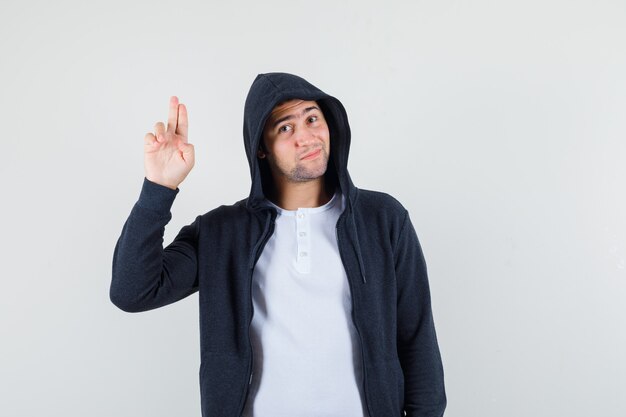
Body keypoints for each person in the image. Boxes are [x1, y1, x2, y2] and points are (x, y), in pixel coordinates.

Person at [110, 72, 447, 417]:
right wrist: (159, 188)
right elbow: (132, 290)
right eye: (285, 128)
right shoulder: (220, 233)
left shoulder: (383, 219)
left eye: (312, 118)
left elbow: (416, 339)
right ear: (261, 147)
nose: (306, 137)